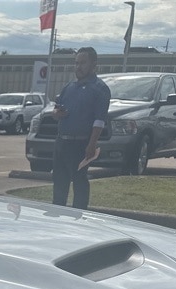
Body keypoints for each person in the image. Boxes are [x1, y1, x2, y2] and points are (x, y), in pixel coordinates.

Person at [51, 47, 111, 209]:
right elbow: (57, 109)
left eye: (83, 63)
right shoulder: (69, 87)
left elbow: (99, 120)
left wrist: (91, 144)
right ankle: (57, 212)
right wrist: (57, 113)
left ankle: (79, 214)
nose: (78, 67)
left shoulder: (100, 89)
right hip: (62, 142)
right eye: (76, 63)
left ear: (94, 65)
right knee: (59, 180)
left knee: (79, 180)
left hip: (82, 144)